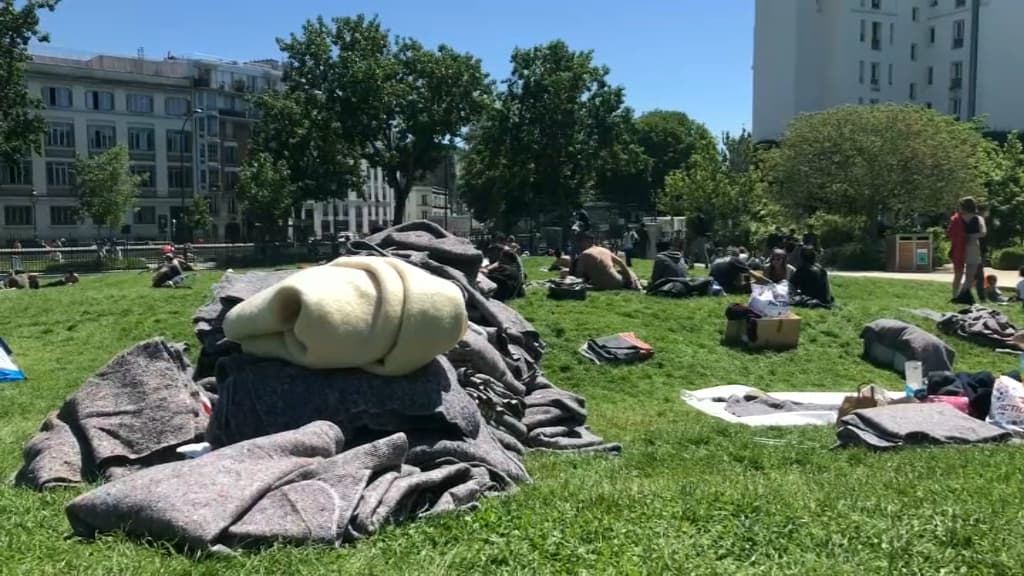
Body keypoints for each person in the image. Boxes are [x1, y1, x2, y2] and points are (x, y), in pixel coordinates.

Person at [571, 233, 639, 291]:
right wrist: (629, 279)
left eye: (580, 242)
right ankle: (638, 285)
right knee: (626, 270)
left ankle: (636, 284)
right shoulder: (604, 250)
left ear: (586, 242)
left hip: (602, 286)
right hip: (619, 282)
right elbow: (621, 262)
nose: (579, 244)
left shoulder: (584, 254)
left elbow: (578, 275)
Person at [954, 197, 987, 304]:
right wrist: (972, 236)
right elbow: (983, 233)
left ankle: (955, 295)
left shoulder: (957, 218)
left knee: (958, 274)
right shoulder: (978, 218)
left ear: (963, 206)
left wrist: (963, 236)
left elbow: (951, 233)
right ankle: (963, 295)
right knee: (970, 275)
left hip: (958, 247)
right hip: (972, 246)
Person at [947, 207, 967, 298]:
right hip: (959, 249)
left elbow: (949, 233)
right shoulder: (956, 219)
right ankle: (956, 294)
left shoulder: (955, 219)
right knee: (959, 273)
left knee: (959, 274)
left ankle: (957, 294)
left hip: (959, 249)